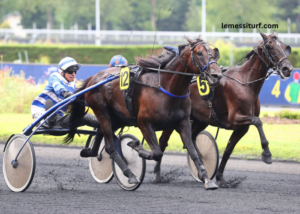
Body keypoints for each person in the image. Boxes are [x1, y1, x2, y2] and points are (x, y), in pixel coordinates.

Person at [31, 56, 100, 132]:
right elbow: (58, 87)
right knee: (50, 104)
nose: (73, 74)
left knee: (85, 117)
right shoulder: (55, 76)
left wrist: (95, 103)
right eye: (71, 71)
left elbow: (81, 100)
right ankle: (48, 120)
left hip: (59, 119)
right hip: (41, 113)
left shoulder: (72, 86)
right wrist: (66, 93)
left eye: (75, 71)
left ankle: (105, 124)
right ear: (62, 72)